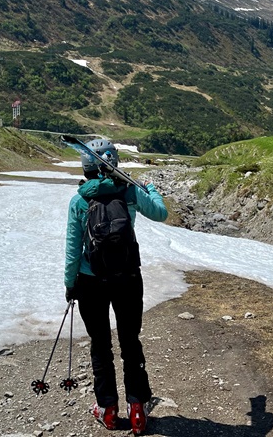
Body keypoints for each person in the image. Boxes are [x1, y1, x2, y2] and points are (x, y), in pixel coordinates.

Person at [64, 138, 168, 435]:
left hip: (90, 280)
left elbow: (73, 249)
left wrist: (70, 284)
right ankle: (137, 411)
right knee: (130, 342)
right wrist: (151, 190)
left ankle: (107, 410)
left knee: (100, 345)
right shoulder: (131, 191)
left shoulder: (79, 200)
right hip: (127, 278)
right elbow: (161, 213)